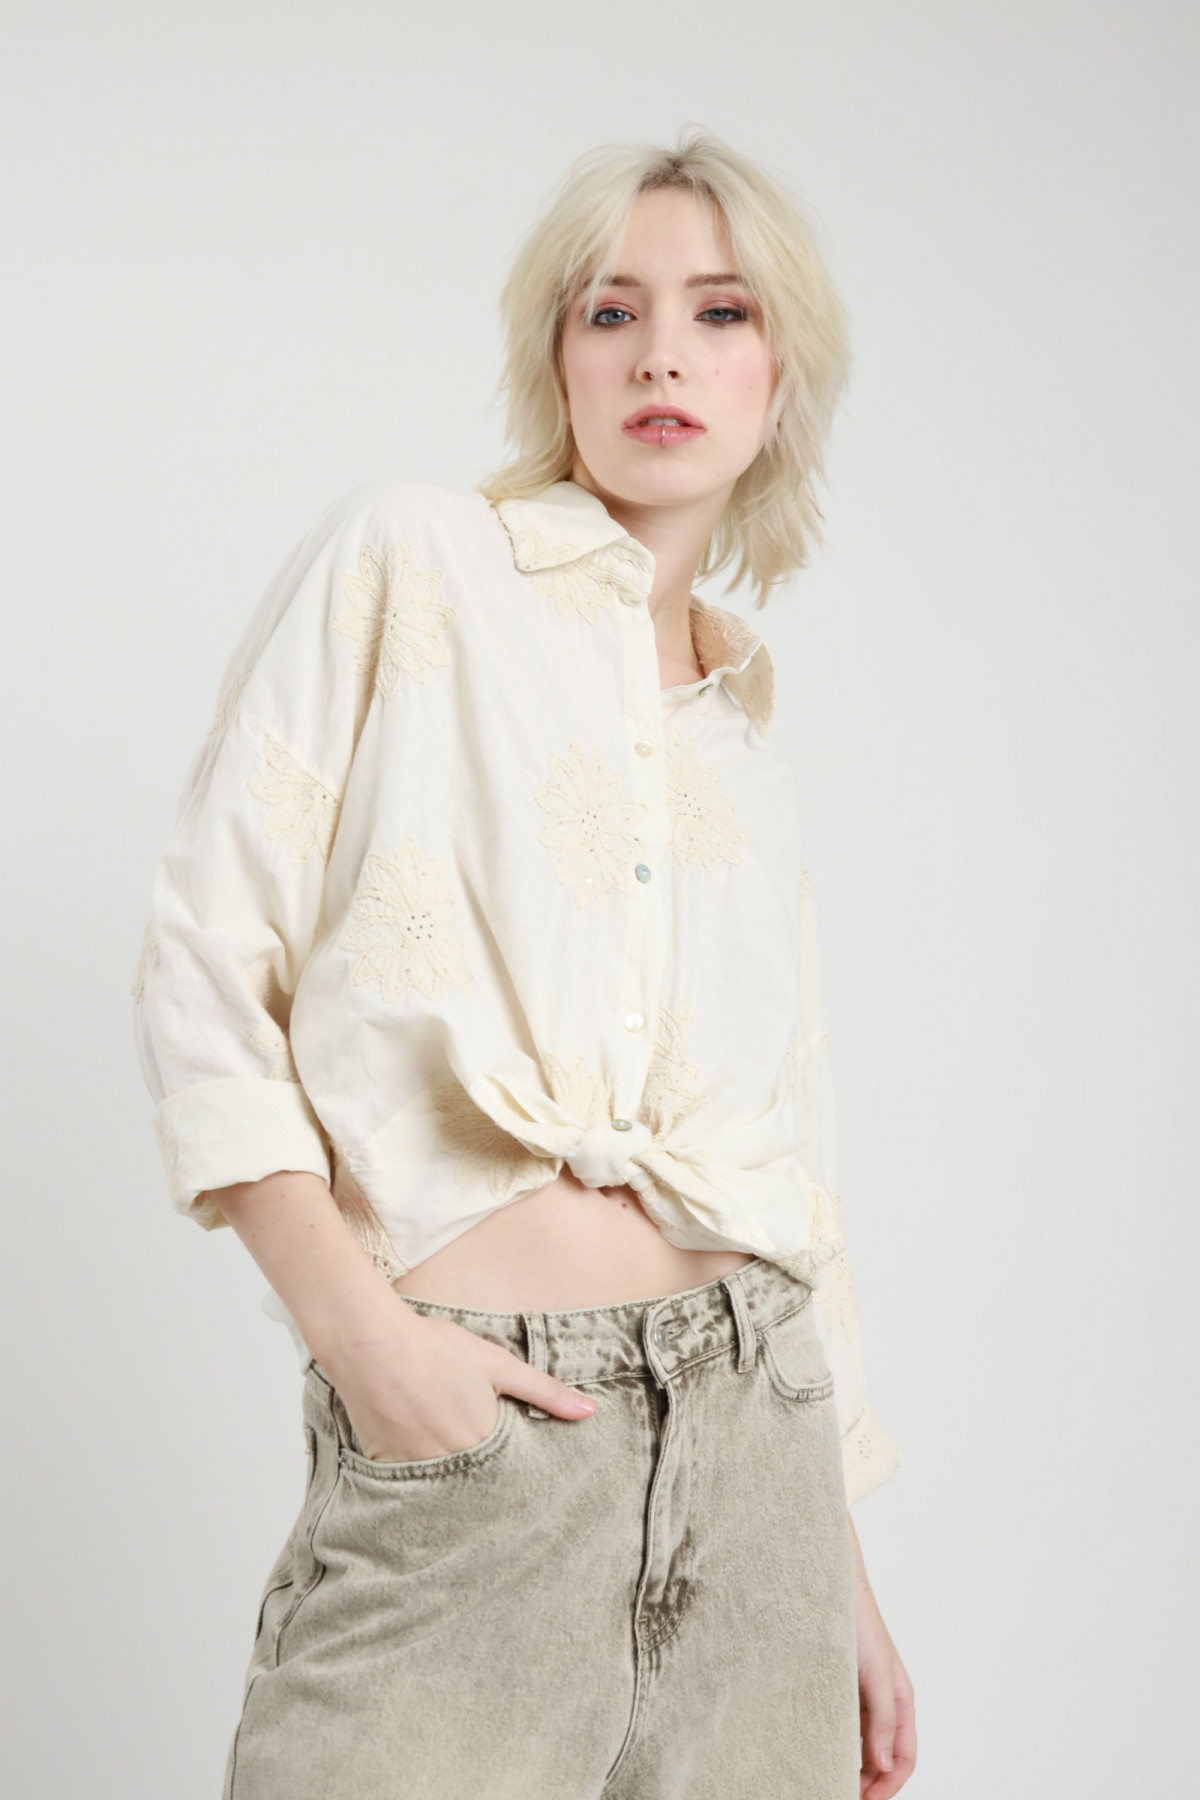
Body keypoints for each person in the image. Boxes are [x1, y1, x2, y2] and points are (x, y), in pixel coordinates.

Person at [132, 127, 916, 1800]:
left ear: (781, 373)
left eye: (719, 312)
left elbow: (794, 1163)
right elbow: (204, 968)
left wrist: (839, 1570)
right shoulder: (412, 560)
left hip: (761, 1479)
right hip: (479, 1450)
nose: (661, 356)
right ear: (555, 359)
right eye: (610, 311)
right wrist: (369, 1347)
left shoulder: (742, 737)